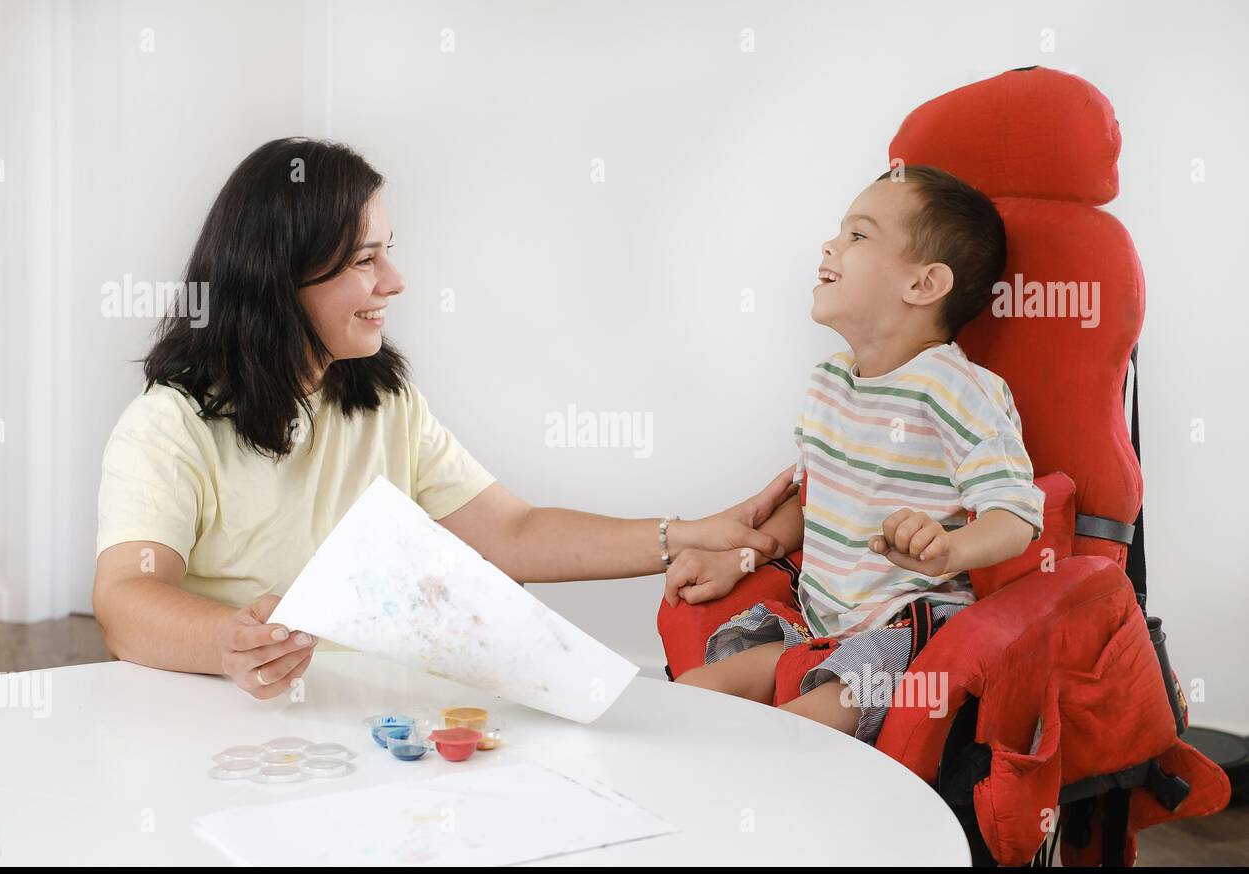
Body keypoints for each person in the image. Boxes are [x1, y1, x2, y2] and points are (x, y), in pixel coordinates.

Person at [92, 137, 794, 699]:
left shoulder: (381, 401)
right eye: (366, 260)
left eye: (387, 252)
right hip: (230, 719)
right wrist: (228, 641)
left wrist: (692, 534)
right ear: (280, 279)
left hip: (367, 716)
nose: (394, 282)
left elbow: (512, 534)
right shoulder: (170, 426)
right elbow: (126, 597)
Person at [665, 166, 1045, 745]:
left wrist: (949, 550)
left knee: (798, 729)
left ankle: (754, 811)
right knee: (696, 690)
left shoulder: (955, 388)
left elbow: (1016, 514)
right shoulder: (828, 382)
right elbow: (815, 502)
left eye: (858, 236)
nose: (830, 245)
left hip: (909, 628)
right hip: (821, 621)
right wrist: (741, 557)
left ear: (923, 285)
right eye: (839, 232)